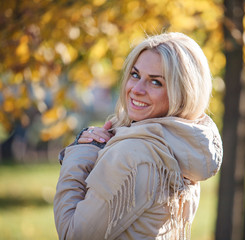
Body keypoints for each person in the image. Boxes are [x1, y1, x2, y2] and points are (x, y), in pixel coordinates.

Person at [53, 32, 223, 240]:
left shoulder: (134, 155)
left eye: (155, 82)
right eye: (135, 75)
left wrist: (80, 151)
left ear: (182, 93)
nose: (136, 89)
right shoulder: (181, 145)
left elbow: (74, 235)